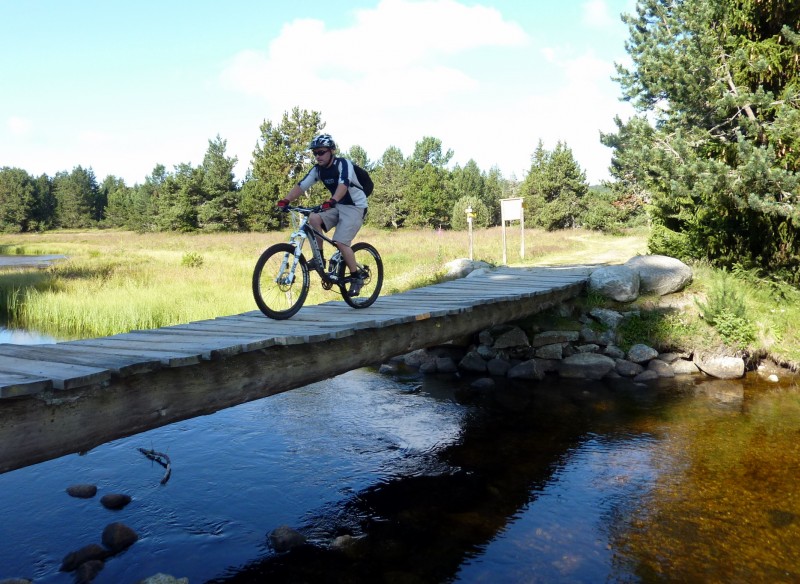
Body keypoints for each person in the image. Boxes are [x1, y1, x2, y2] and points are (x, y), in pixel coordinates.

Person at [277, 134, 369, 295]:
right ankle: (319, 259)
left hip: (355, 206)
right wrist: (286, 200)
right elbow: (302, 186)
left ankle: (356, 277)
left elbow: (344, 184)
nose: (318, 156)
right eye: (315, 153)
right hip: (338, 204)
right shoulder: (317, 170)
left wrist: (332, 200)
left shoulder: (343, 164)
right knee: (313, 218)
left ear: (331, 151)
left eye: (321, 152)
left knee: (340, 242)